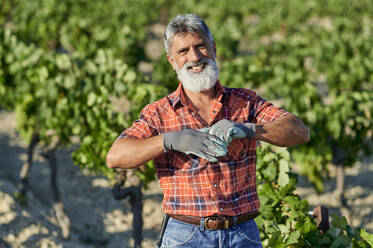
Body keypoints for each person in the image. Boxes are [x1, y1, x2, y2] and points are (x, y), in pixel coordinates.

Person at [106, 14, 310, 248]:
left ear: (213, 48)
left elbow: (299, 131)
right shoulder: (160, 112)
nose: (194, 57)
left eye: (200, 46)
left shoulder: (245, 102)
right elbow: (115, 156)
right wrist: (170, 140)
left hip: (242, 234)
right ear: (171, 61)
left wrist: (248, 129)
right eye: (183, 51)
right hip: (185, 235)